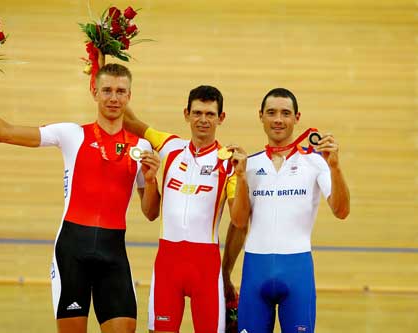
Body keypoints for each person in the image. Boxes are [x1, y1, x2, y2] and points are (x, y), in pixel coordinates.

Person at [0, 62, 161, 333]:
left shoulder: (141, 148)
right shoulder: (71, 134)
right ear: (94, 92)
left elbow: (151, 212)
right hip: (72, 252)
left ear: (129, 96)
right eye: (107, 90)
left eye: (121, 91)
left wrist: (150, 180)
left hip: (114, 255)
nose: (114, 97)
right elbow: (3, 132)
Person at [223, 87, 350, 333]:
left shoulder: (316, 162)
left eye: (285, 113)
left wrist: (335, 167)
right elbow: (238, 221)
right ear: (260, 116)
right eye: (271, 113)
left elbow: (341, 210)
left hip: (297, 270)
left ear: (297, 118)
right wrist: (240, 177)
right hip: (254, 271)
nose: (278, 119)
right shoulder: (249, 165)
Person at [123, 85, 240, 333]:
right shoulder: (170, 146)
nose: (203, 120)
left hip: (206, 267)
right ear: (186, 114)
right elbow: (129, 120)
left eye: (210, 114)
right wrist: (98, 68)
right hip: (168, 264)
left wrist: (243, 178)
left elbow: (240, 220)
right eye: (197, 113)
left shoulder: (228, 162)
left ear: (221, 118)